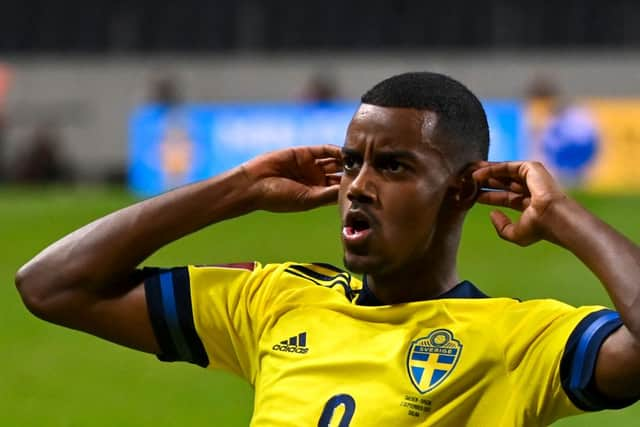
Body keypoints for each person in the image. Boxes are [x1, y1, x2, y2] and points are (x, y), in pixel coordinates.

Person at [15, 72, 640, 426]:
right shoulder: (273, 301)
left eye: (392, 166)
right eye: (350, 163)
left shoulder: (514, 342)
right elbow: (51, 285)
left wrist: (563, 216)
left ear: (459, 193)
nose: (358, 186)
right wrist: (239, 189)